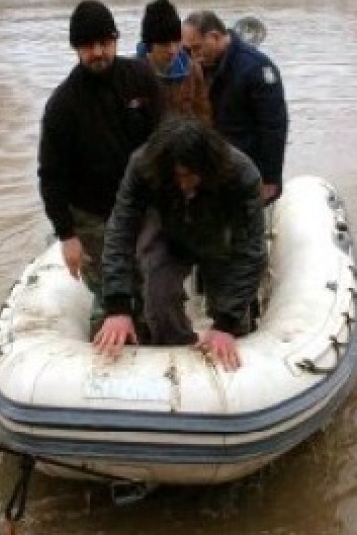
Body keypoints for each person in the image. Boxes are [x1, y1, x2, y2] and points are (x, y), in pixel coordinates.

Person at [94, 117, 267, 371]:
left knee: (232, 313)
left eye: (190, 175)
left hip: (221, 237)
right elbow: (121, 229)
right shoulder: (143, 166)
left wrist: (226, 323)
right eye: (177, 176)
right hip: (169, 232)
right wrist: (117, 305)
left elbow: (250, 250)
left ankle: (231, 349)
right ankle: (176, 354)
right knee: (158, 298)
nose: (184, 183)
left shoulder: (241, 174)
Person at [38, 0, 165, 334]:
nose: (97, 52)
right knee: (112, 293)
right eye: (87, 46)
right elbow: (50, 175)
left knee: (151, 284)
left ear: (115, 41)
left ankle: (153, 332)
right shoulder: (62, 105)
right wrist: (67, 235)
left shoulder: (141, 78)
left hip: (144, 204)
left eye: (104, 43)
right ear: (76, 49)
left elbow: (165, 138)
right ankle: (107, 337)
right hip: (92, 214)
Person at [183, 10, 289, 204]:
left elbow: (273, 127)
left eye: (197, 48)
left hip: (248, 171)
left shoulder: (256, 68)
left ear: (214, 37)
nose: (194, 55)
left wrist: (270, 178)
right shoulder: (198, 68)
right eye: (188, 50)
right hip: (212, 172)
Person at [136, 0, 211, 125]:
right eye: (164, 44)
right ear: (149, 44)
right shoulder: (133, 75)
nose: (172, 50)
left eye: (176, 42)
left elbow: (204, 115)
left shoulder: (192, 69)